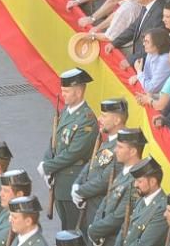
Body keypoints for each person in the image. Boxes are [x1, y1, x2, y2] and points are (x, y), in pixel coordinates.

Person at [39, 68, 99, 230]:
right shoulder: (66, 111)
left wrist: (48, 166)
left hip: (73, 181)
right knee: (65, 228)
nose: (62, 94)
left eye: (66, 91)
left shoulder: (87, 120)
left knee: (75, 230)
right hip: (59, 182)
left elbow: (74, 152)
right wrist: (47, 160)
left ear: (78, 92)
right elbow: (55, 141)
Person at [72, 99, 128, 231]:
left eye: (104, 116)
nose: (99, 118)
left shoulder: (123, 146)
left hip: (102, 210)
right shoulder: (109, 141)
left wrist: (80, 191)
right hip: (91, 206)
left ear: (117, 120)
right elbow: (92, 163)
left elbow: (105, 179)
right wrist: (77, 183)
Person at [119, 157, 169, 246]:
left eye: (139, 181)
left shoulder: (162, 208)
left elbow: (145, 243)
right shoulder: (142, 198)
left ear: (153, 182)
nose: (135, 185)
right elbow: (125, 230)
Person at [130, 28, 170, 93]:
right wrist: (138, 76)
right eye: (144, 41)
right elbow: (147, 77)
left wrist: (139, 71)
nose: (144, 44)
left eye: (147, 42)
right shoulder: (151, 52)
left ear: (158, 43)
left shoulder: (165, 60)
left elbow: (151, 89)